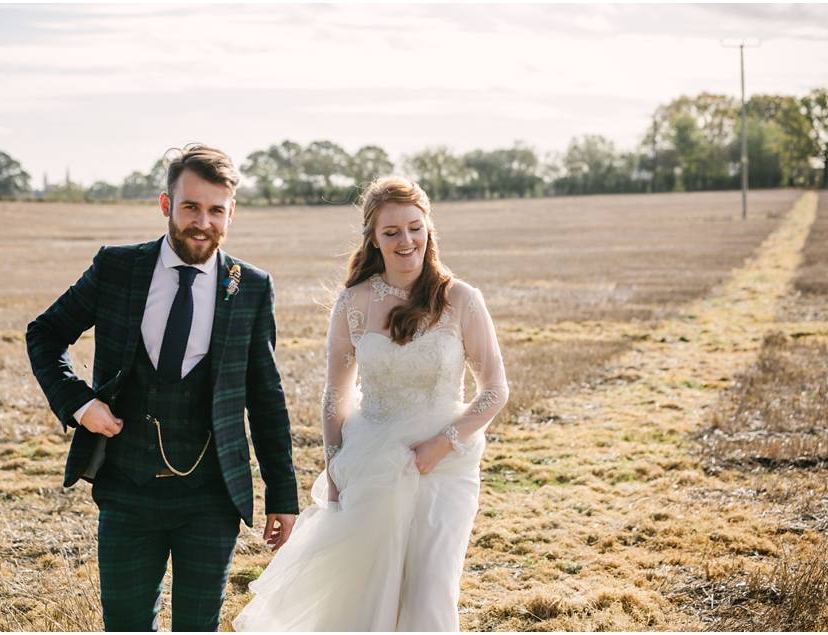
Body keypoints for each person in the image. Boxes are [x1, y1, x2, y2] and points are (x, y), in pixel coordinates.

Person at [26, 143, 299, 632]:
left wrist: (283, 493)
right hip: (126, 490)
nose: (202, 221)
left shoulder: (251, 286)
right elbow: (44, 334)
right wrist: (79, 402)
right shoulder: (117, 268)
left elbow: (265, 395)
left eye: (216, 210)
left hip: (211, 496)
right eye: (191, 206)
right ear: (166, 204)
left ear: (231, 213)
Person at [233, 176, 509, 631]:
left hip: (446, 468)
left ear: (429, 229)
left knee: (429, 593)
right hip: (372, 463)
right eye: (392, 232)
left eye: (415, 228)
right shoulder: (354, 304)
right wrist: (336, 466)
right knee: (367, 593)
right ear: (374, 240)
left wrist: (443, 444)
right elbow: (335, 395)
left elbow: (495, 389)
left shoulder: (461, 300)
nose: (407, 241)